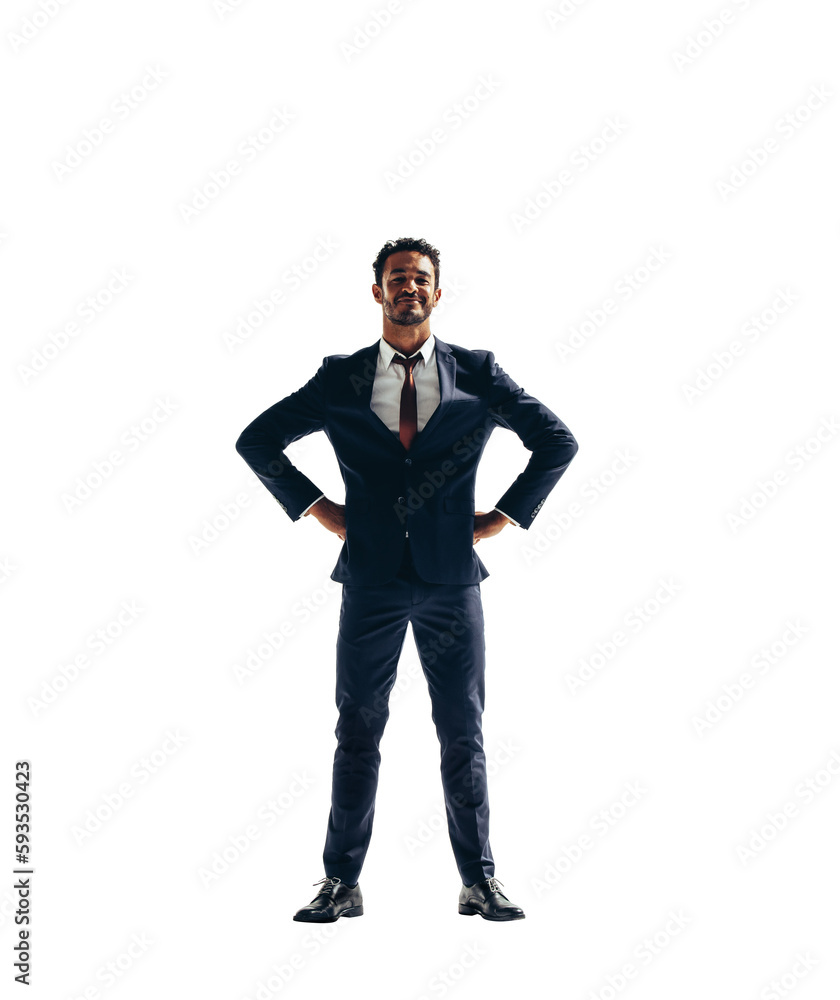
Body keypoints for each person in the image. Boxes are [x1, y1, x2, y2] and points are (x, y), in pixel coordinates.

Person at [235, 236, 579, 922]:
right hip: (370, 582)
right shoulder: (339, 378)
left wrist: (504, 516)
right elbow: (257, 440)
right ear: (378, 292)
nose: (409, 287)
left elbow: (557, 441)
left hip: (452, 581)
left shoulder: (477, 372)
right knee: (357, 730)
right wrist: (319, 509)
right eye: (397, 278)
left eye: (421, 278)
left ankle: (479, 880)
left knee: (463, 732)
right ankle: (341, 883)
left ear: (438, 292)